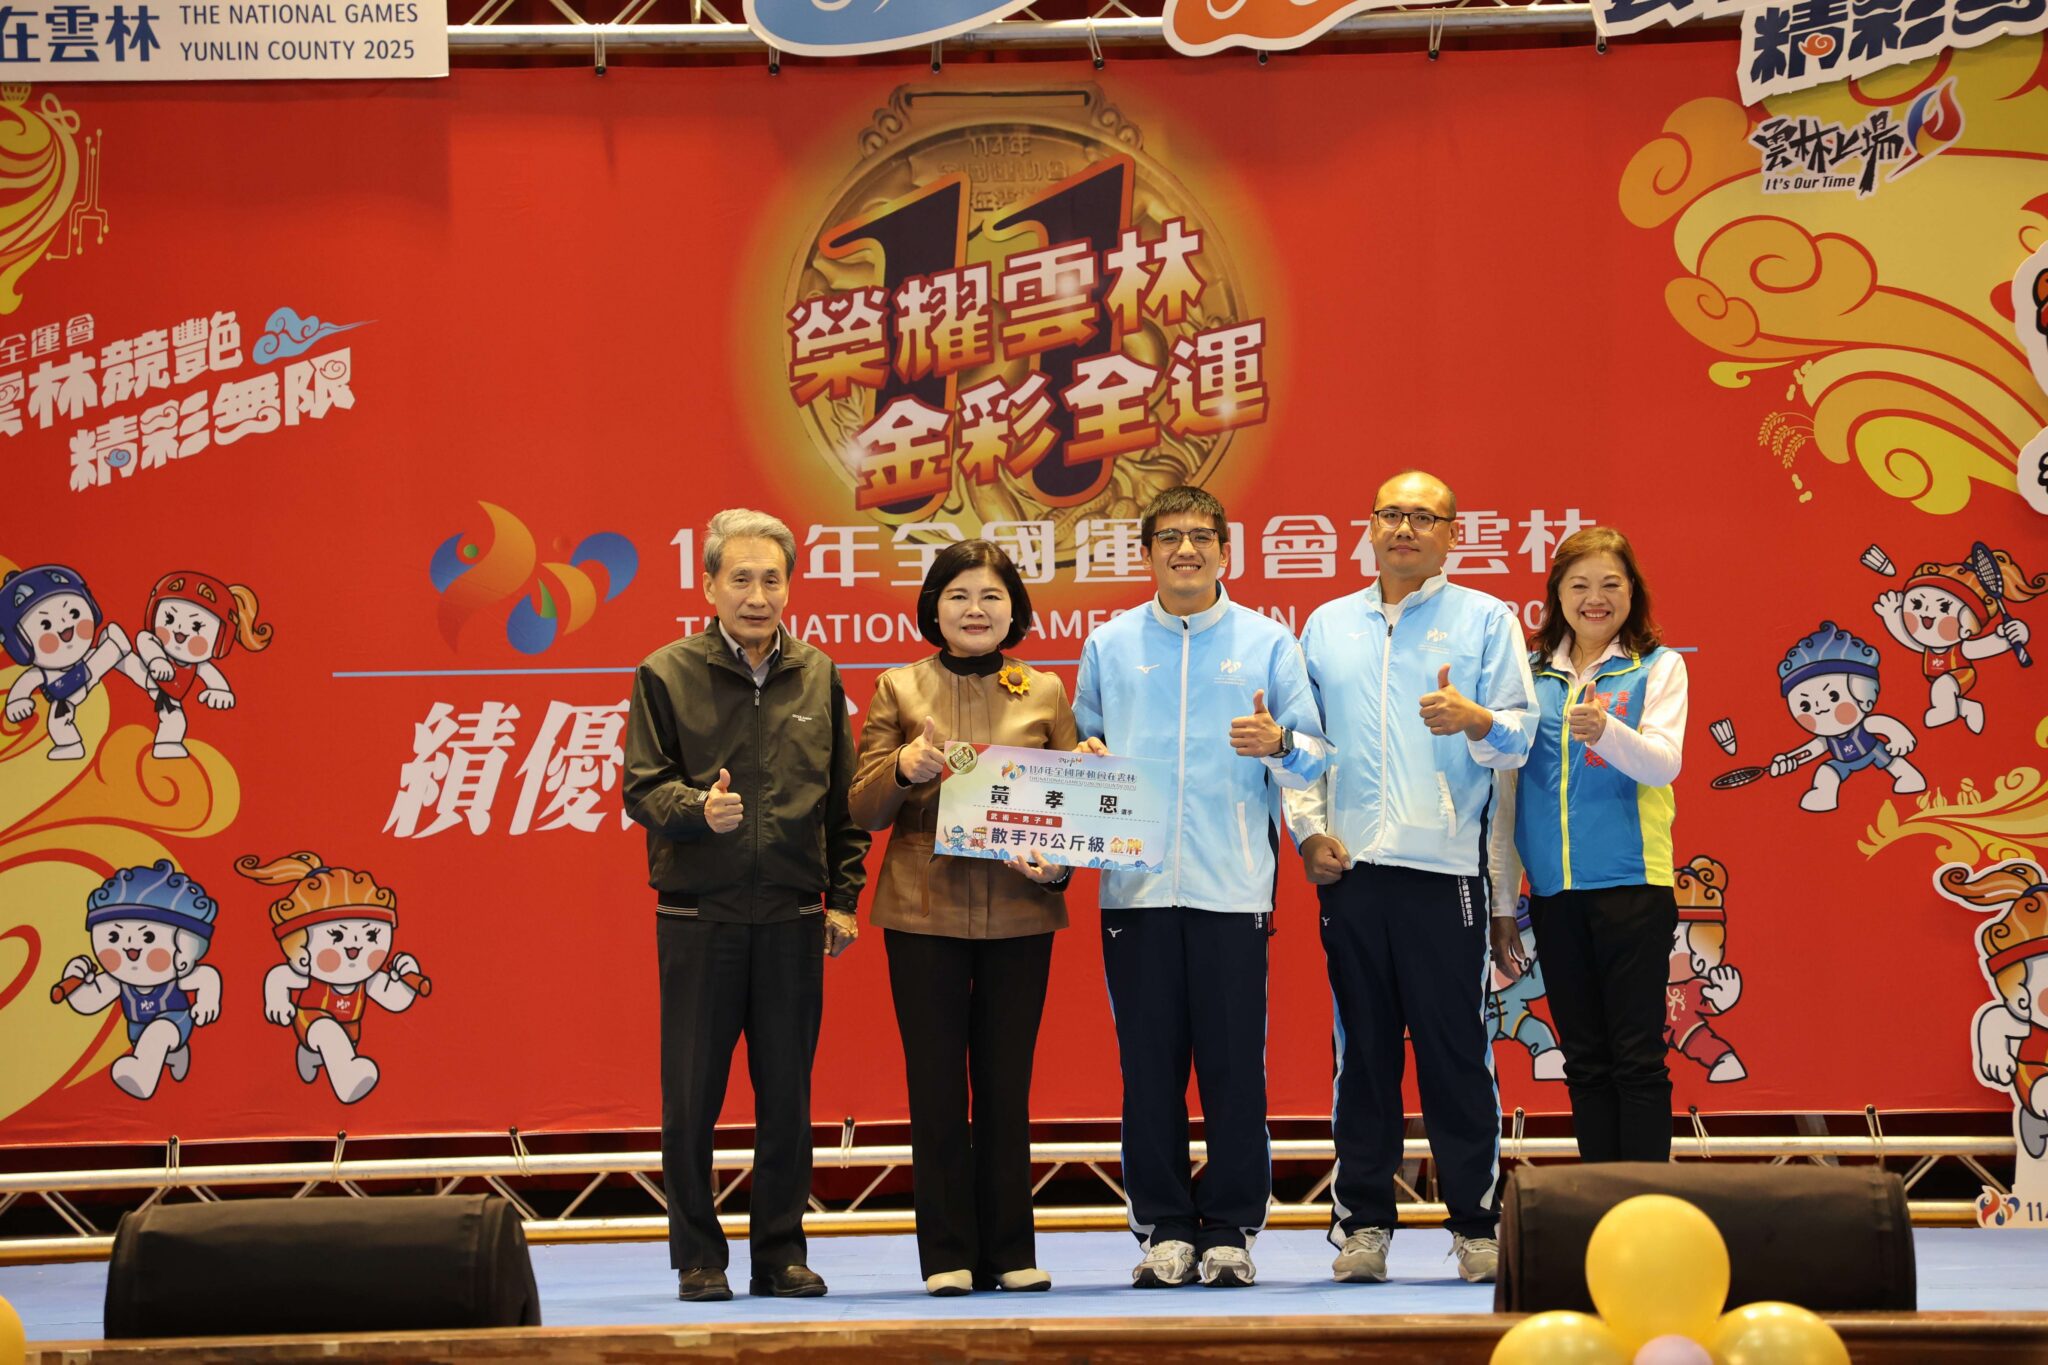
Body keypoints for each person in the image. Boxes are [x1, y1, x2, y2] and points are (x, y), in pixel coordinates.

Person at [1074, 485, 1330, 1290]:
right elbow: (1084, 744)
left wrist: (1278, 741)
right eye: (1169, 537)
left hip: (1233, 890)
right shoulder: (1110, 643)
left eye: (1200, 536)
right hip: (1135, 891)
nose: (1185, 549)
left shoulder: (1268, 642)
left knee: (1232, 1069)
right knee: (1147, 1069)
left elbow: (1315, 757)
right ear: (1147, 551)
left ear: (1226, 550)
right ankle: (1163, 1229)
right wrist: (1085, 756)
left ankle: (1228, 1227)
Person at [1286, 469, 1535, 1285]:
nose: (1404, 528)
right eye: (1391, 513)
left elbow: (1521, 737)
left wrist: (1477, 719)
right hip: (1352, 873)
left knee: (1455, 1052)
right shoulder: (1327, 625)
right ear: (1368, 525)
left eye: (1424, 517)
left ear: (1452, 534)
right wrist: (1309, 832)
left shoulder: (1486, 620)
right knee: (1361, 1056)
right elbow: (1304, 745)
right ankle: (1362, 1225)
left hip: (1445, 873)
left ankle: (1477, 1226)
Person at [623, 508, 871, 1303]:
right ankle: (699, 1256)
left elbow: (843, 803)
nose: (757, 596)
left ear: (790, 586)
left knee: (788, 1098)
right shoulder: (665, 672)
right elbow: (641, 787)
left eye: (772, 579)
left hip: (794, 917)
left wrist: (841, 899)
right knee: (692, 1098)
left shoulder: (818, 674)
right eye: (741, 579)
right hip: (700, 915)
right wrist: (698, 809)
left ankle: (780, 1253)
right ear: (709, 585)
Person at [850, 540, 1074, 1297]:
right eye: (958, 595)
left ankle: (1011, 1250)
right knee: (937, 1087)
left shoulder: (1044, 690)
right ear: (934, 607)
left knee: (1007, 1087)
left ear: (1015, 610)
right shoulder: (899, 686)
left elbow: (1074, 811)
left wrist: (1059, 867)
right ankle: (946, 1252)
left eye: (991, 596)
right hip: (923, 910)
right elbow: (861, 807)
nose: (975, 610)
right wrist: (901, 768)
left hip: (1020, 910)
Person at [1491, 527, 1687, 1164]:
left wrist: (1605, 731)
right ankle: (1603, 1202)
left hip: (1633, 887)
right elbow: (1507, 798)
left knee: (1637, 1057)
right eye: (1579, 586)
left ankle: (1647, 1204)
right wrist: (1504, 899)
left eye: (1610, 584)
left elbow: (1663, 763)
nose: (1594, 599)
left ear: (1633, 592)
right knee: (1584, 1059)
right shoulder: (1529, 676)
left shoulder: (1658, 666)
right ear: (1556, 595)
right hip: (1555, 895)